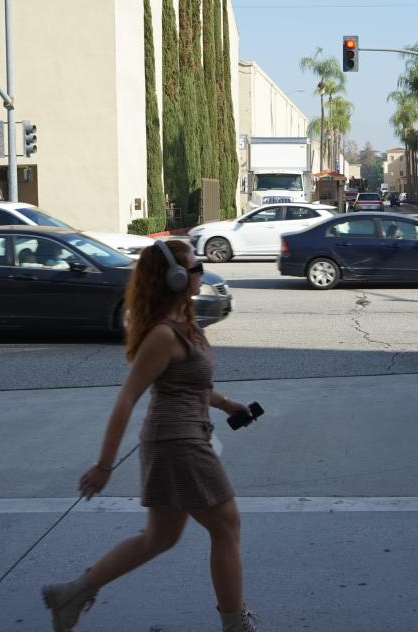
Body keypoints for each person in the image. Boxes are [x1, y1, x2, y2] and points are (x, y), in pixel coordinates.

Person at [41, 240, 260, 632]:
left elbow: (192, 384)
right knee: (227, 527)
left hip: (181, 439)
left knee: (159, 537)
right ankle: (235, 625)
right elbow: (127, 398)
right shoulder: (163, 334)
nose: (201, 273)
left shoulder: (185, 324)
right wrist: (104, 465)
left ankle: (71, 595)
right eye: (195, 269)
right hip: (179, 444)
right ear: (174, 278)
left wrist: (228, 405)